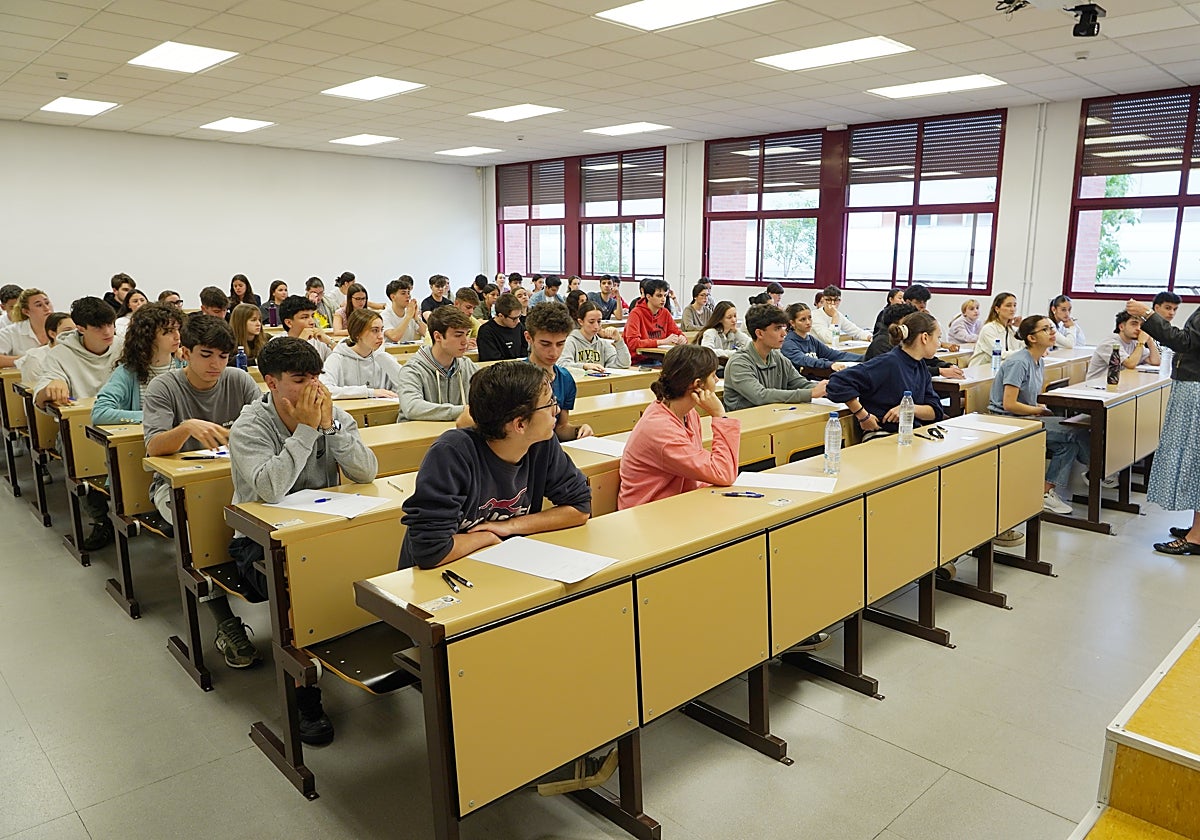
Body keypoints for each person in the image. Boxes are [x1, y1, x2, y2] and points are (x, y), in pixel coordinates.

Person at [229, 336, 378, 743]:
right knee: (302, 593)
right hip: (260, 541)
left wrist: (330, 427)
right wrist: (308, 432)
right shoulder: (250, 426)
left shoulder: (330, 414)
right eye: (299, 379)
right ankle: (304, 691)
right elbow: (269, 488)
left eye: (316, 376)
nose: (313, 388)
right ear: (271, 382)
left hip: (320, 530)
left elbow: (366, 472)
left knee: (382, 561)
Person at [398, 362, 591, 570]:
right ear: (520, 424)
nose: (557, 409)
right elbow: (431, 550)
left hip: (499, 563)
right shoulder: (452, 453)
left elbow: (580, 508)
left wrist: (509, 526)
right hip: (442, 574)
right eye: (549, 403)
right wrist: (487, 538)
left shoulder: (542, 444)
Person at [143, 314, 260, 526]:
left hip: (236, 476)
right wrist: (186, 428)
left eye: (223, 356)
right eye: (206, 355)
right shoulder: (163, 387)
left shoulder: (239, 380)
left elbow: (267, 427)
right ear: (186, 353)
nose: (216, 364)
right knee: (198, 525)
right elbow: (154, 448)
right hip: (177, 485)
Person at [34, 297, 124, 549]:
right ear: (81, 328)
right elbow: (42, 393)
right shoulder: (61, 354)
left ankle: (132, 509)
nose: (108, 332)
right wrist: (51, 387)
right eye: (99, 327)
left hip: (120, 421)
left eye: (110, 324)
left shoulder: (123, 345)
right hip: (81, 428)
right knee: (77, 453)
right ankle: (100, 520)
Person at [988, 314, 1087, 518]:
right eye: (1045, 329)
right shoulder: (1019, 362)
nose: (1052, 333)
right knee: (1073, 433)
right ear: (1031, 338)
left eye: (1051, 328)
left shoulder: (1038, 360)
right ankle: (1096, 471)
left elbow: (1030, 398)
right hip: (1007, 421)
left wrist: (1037, 408)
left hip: (1025, 418)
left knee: (1069, 442)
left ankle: (1044, 492)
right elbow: (1009, 404)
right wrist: (1039, 410)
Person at [618, 344, 739, 509]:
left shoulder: (688, 414)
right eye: (713, 376)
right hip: (647, 515)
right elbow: (723, 473)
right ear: (697, 385)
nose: (717, 380)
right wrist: (719, 415)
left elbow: (704, 472)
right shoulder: (659, 428)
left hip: (677, 505)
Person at [1125, 298, 1200, 554]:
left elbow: (1185, 342)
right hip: (1191, 385)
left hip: (1195, 388)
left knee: (1194, 457)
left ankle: (1197, 537)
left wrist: (1147, 314)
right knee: (1193, 457)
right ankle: (1197, 528)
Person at [826, 310, 945, 441]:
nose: (939, 343)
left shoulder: (920, 366)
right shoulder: (888, 363)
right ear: (925, 338)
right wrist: (863, 415)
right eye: (938, 337)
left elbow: (935, 411)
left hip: (910, 434)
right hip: (882, 434)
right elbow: (837, 382)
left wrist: (909, 408)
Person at [92, 303, 184, 426]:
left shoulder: (184, 365)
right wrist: (151, 416)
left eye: (178, 329)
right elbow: (100, 413)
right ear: (148, 336)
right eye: (168, 332)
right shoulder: (127, 372)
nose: (177, 336)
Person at [723, 304, 827, 411]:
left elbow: (800, 383)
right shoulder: (739, 363)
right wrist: (810, 393)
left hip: (771, 417)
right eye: (777, 329)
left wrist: (827, 388)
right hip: (745, 423)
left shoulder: (778, 357)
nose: (784, 333)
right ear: (759, 333)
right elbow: (760, 396)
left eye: (784, 328)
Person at [396, 306, 479, 422]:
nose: (465, 341)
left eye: (467, 334)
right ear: (438, 336)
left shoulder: (468, 366)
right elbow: (411, 407)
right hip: (421, 436)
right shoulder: (412, 370)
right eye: (458, 335)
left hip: (457, 435)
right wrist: (465, 411)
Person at [525, 302, 592, 441]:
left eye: (560, 344)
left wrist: (578, 431)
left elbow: (561, 428)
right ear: (529, 338)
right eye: (545, 344)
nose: (554, 352)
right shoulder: (517, 377)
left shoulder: (565, 378)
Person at [865, 302, 964, 379]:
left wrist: (948, 366)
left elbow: (927, 361)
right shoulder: (882, 343)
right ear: (901, 321)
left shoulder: (908, 342)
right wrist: (939, 371)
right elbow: (905, 371)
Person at [319, 309, 401, 399]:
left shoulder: (383, 357)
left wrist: (385, 359)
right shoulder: (337, 358)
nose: (381, 336)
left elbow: (406, 386)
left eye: (381, 330)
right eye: (375, 330)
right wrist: (370, 392)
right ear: (357, 334)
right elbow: (325, 389)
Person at [782, 303, 859, 372]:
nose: (808, 322)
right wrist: (829, 364)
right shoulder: (788, 343)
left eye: (810, 318)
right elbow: (805, 360)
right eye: (803, 320)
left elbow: (834, 354)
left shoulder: (811, 340)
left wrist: (865, 358)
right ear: (792, 323)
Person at [624, 278, 686, 364]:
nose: (663, 299)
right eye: (659, 296)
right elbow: (633, 343)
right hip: (639, 360)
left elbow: (676, 332)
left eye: (665, 295)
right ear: (648, 296)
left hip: (659, 357)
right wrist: (661, 342)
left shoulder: (665, 312)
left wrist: (682, 338)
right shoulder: (636, 313)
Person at [1087, 310, 1160, 379]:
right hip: (1097, 386)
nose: (1138, 329)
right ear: (1121, 327)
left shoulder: (1134, 343)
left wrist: (1149, 339)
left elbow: (1155, 362)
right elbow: (1130, 364)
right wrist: (1141, 342)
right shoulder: (1109, 343)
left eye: (1141, 325)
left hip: (1121, 383)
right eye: (1134, 324)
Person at [563, 301, 631, 370]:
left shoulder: (602, 343)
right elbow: (563, 364)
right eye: (591, 322)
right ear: (581, 322)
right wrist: (584, 366)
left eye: (599, 321)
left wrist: (619, 340)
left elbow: (624, 364)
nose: (596, 326)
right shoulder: (570, 341)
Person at [0, 287, 54, 367]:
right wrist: (28, 359)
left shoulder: (63, 327)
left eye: (47, 303)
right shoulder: (10, 332)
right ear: (26, 311)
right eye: (39, 305)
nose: (46, 308)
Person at [15, 312, 72, 386]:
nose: (73, 335)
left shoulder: (79, 354)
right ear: (52, 334)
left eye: (76, 331)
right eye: (67, 331)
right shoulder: (36, 359)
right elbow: (31, 391)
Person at [968, 292, 1021, 368]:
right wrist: (1027, 352)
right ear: (997, 309)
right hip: (980, 369)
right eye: (1008, 306)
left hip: (1001, 367)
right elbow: (1001, 354)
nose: (1013, 309)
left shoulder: (1011, 329)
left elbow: (1021, 347)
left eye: (1014, 305)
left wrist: (1022, 328)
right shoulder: (989, 329)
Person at [279, 294, 336, 361]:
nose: (312, 322)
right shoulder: (277, 343)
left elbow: (341, 361)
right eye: (305, 317)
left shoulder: (320, 340)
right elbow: (284, 367)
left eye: (312, 316)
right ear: (289, 323)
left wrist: (330, 342)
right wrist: (300, 342)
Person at [475, 292, 528, 361]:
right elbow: (492, 360)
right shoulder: (486, 331)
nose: (518, 321)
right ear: (501, 316)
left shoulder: (519, 326)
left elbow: (525, 349)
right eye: (514, 318)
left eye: (519, 317)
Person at [381, 276, 426, 344]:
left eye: (408, 293)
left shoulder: (410, 312)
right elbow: (394, 337)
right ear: (393, 297)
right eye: (403, 293)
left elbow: (426, 333)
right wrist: (408, 316)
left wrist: (416, 318)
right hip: (391, 352)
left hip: (409, 352)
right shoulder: (384, 316)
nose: (408, 296)